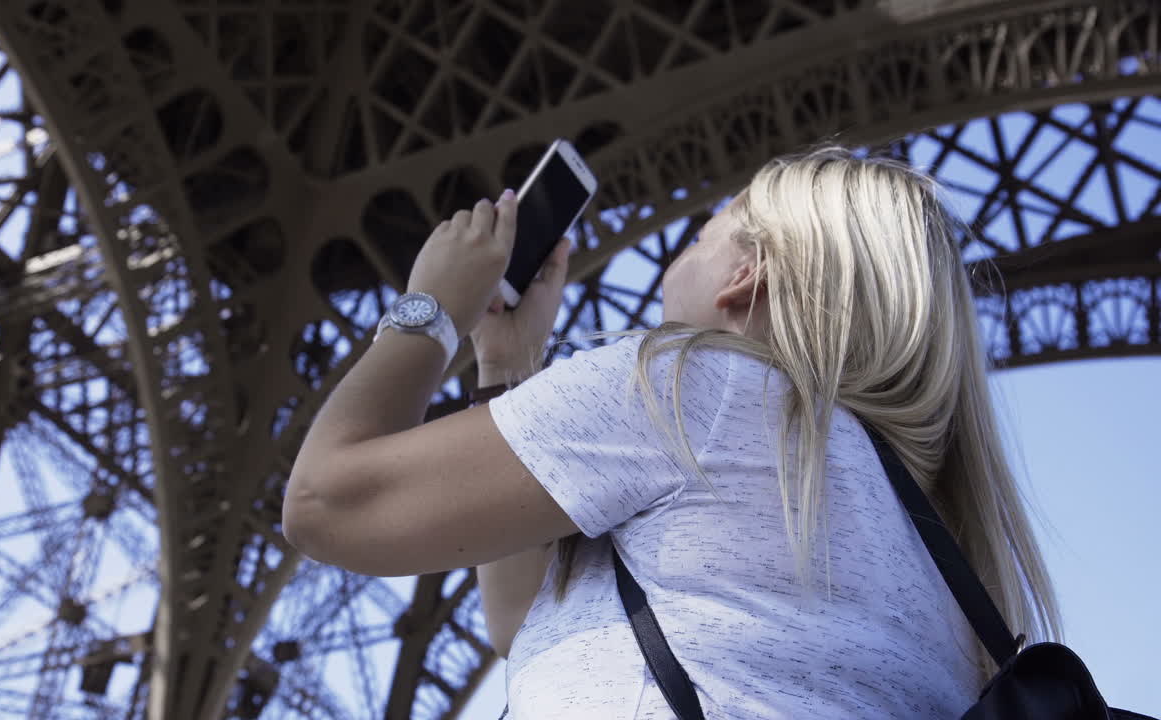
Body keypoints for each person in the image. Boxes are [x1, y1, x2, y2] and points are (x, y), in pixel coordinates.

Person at [282, 145, 1062, 719]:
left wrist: (433, 309)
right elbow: (526, 622)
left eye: (707, 231)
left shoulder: (692, 384)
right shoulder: (942, 555)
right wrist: (509, 366)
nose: (691, 238)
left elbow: (326, 504)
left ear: (746, 274)